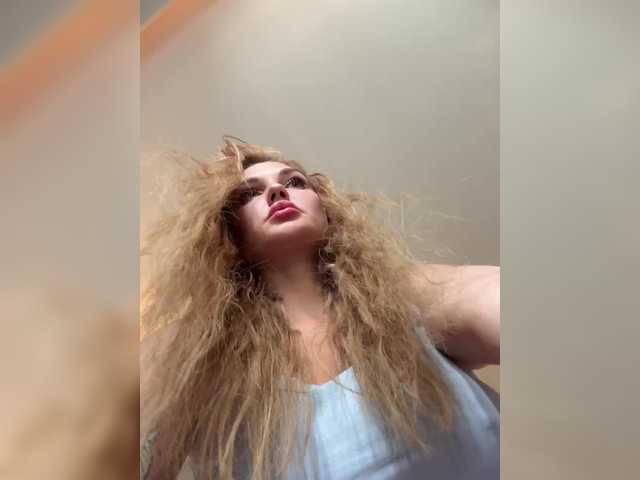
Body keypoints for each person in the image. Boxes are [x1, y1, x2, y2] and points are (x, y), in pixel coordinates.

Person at [140, 136, 500, 480]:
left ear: (327, 210)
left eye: (295, 182)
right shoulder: (200, 357)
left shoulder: (410, 293)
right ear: (226, 231)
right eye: (249, 194)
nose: (277, 192)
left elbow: (491, 298)